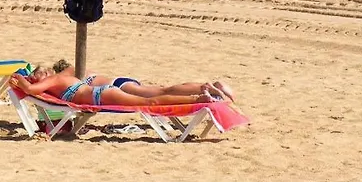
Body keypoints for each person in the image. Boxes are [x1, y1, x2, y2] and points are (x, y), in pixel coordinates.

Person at [10, 63, 225, 107]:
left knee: (152, 102)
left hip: (102, 95)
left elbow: (29, 90)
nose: (40, 77)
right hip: (104, 92)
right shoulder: (65, 75)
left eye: (39, 74)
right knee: (155, 97)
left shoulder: (54, 79)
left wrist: (19, 77)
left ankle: (199, 97)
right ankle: (199, 94)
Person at [34, 59, 236, 101]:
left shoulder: (67, 75)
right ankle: (206, 87)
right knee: (163, 89)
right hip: (121, 82)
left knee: (163, 92)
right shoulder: (77, 70)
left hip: (118, 86)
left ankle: (204, 88)